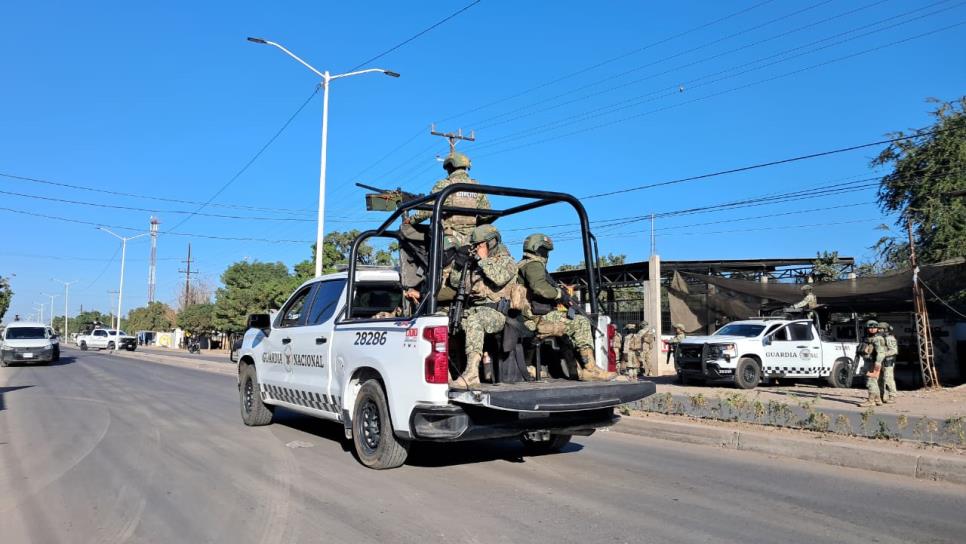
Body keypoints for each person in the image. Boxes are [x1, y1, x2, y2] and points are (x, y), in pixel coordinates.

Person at [516, 233, 615, 381]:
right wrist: (559, 295)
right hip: (535, 317)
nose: (547, 255)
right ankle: (590, 369)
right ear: (538, 249)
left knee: (566, 331)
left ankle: (575, 371)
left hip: (529, 316)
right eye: (545, 251)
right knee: (580, 322)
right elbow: (540, 288)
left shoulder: (524, 264)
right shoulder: (533, 264)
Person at [450, 224, 517, 389]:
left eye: (479, 244)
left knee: (475, 321)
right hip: (474, 309)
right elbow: (456, 284)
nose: (476, 248)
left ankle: (472, 374)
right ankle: (449, 372)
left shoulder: (507, 262)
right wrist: (459, 265)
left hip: (498, 313)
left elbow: (499, 278)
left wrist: (483, 259)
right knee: (447, 323)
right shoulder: (477, 265)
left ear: (491, 242)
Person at [411, 151, 491, 246]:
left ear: (449, 167)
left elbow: (428, 210)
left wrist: (411, 220)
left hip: (448, 238)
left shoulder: (445, 185)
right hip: (471, 239)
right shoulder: (477, 186)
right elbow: (486, 215)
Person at [858, 320, 886, 407]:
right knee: (873, 381)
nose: (872, 329)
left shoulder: (878, 339)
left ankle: (871, 401)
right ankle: (877, 400)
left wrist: (877, 367)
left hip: (874, 363)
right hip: (869, 362)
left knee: (870, 381)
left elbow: (881, 353)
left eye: (874, 327)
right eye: (870, 327)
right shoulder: (869, 338)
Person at [879, 322, 899, 404]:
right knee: (880, 379)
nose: (878, 330)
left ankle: (892, 396)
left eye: (880, 329)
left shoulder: (890, 338)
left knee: (888, 378)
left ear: (885, 329)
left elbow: (894, 351)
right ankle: (882, 395)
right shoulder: (880, 338)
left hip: (888, 360)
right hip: (881, 361)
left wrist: (883, 354)